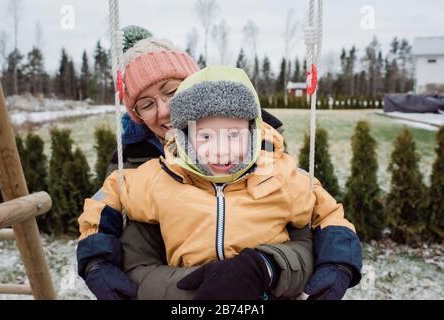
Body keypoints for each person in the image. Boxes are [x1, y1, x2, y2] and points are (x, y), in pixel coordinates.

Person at [77, 65, 362, 300]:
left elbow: (326, 212)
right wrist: (95, 257)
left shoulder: (278, 173)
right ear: (185, 139)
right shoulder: (160, 177)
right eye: (206, 137)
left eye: (233, 136)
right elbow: (110, 194)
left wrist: (339, 262)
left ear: (252, 133)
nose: (221, 150)